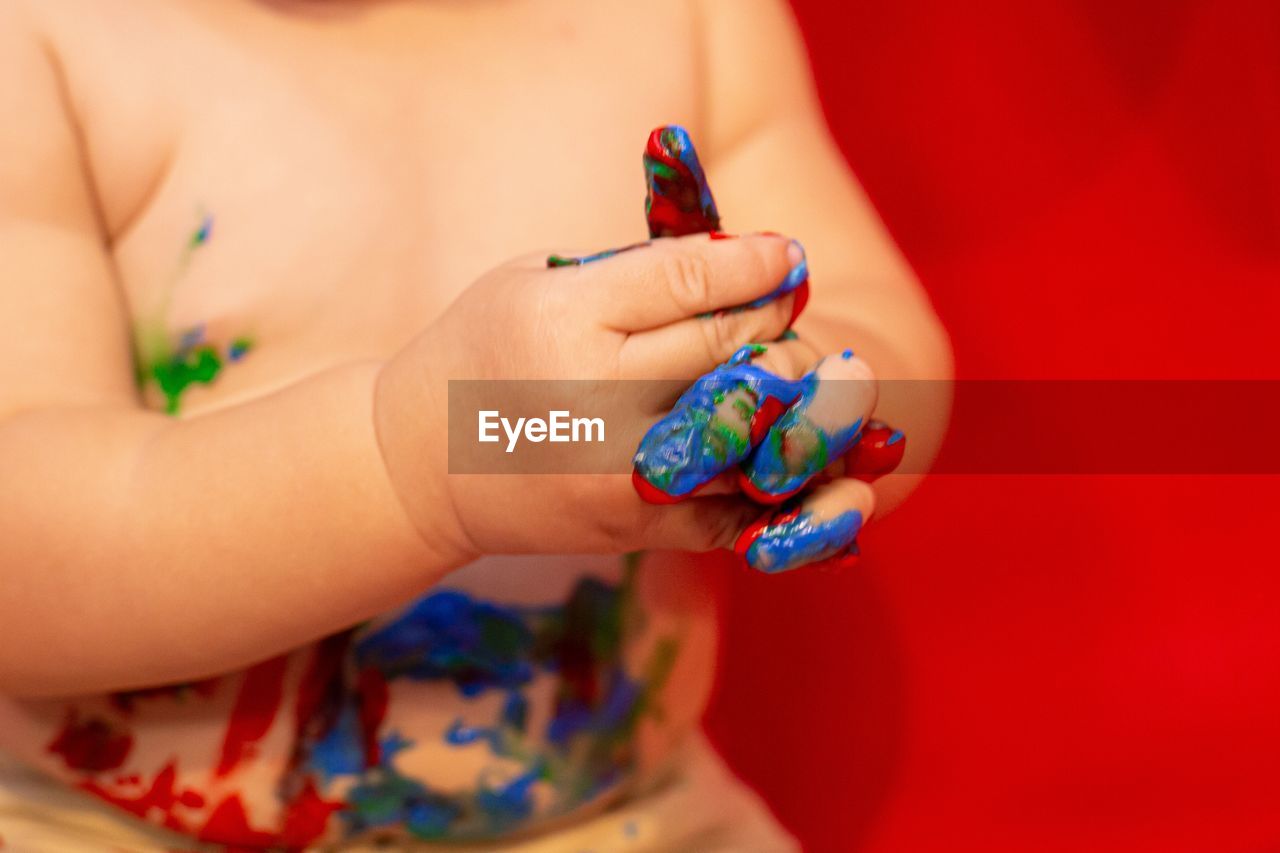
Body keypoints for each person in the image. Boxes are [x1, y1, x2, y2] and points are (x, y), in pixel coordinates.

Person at [0, 0, 951, 849]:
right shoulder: (46, 37)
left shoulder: (688, 17)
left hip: (628, 813)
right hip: (95, 818)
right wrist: (417, 469)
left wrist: (793, 403)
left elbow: (873, 330)